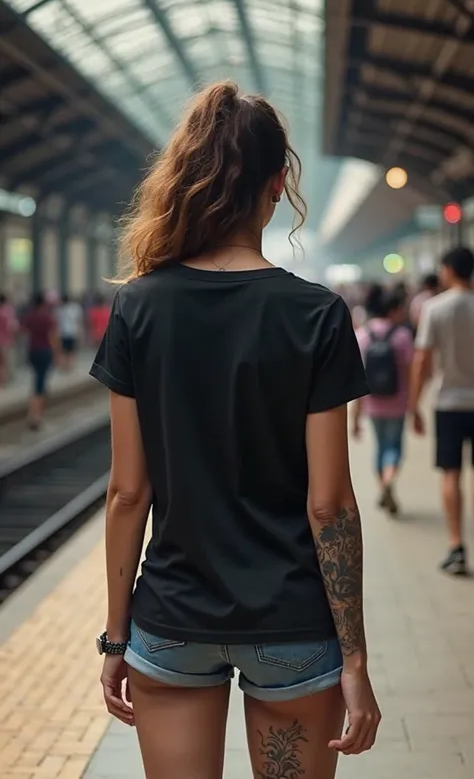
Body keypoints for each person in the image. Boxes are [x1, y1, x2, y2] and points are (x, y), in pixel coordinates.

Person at [90, 81, 380, 778]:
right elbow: (330, 504)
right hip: (291, 623)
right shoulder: (316, 315)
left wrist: (115, 636)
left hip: (171, 621)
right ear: (278, 184)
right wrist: (356, 657)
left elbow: (128, 493)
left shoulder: (137, 309)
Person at [411, 246, 474, 576]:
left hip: (448, 403)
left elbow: (421, 359)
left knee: (451, 474)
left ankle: (456, 546)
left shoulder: (435, 308)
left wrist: (414, 405)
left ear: (449, 269)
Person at [353, 285, 414, 514]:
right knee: (394, 446)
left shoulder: (362, 336)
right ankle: (389, 480)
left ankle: (383, 485)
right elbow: (408, 373)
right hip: (397, 402)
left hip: (372, 402)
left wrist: (355, 416)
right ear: (393, 310)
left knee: (379, 447)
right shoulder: (402, 335)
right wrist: (412, 403)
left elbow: (357, 377)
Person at [22, 292, 58, 429]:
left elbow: (24, 330)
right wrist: (57, 353)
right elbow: (52, 336)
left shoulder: (30, 316)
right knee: (40, 384)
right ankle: (35, 416)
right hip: (45, 351)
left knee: (37, 380)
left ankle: (35, 412)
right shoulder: (47, 317)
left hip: (32, 351)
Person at [57, 293, 83, 370]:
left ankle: (65, 366)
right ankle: (70, 366)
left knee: (64, 350)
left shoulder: (59, 310)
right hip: (72, 332)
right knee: (71, 351)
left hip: (63, 333)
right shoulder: (75, 308)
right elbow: (78, 320)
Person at [0, 292, 18, 385]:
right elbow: (11, 326)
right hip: (6, 340)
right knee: (7, 361)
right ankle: (5, 380)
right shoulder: (7, 311)